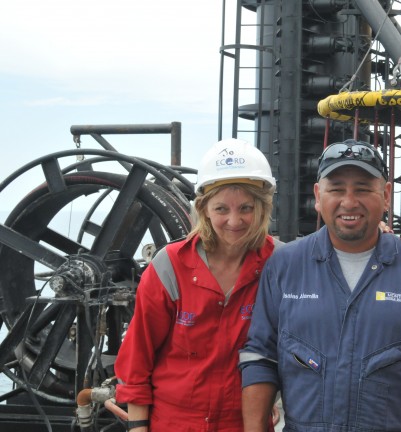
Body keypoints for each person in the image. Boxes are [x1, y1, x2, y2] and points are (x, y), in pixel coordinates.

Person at [239, 139, 401, 432]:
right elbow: (261, 358)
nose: (349, 202)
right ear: (317, 196)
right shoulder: (284, 267)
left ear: (386, 195)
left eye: (363, 188)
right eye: (336, 189)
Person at [114, 138, 279, 432]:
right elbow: (137, 359)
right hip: (175, 422)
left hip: (245, 422)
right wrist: (138, 427)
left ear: (262, 208)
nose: (234, 220)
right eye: (220, 209)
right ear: (202, 210)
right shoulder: (170, 266)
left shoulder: (278, 262)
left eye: (245, 207)